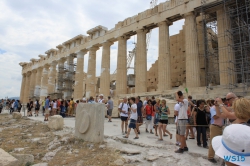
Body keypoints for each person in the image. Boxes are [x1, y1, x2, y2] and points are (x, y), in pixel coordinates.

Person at [207, 98, 225, 163]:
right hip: (215, 126)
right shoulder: (213, 108)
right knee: (213, 142)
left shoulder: (222, 108)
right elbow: (215, 117)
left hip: (221, 126)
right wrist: (221, 112)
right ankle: (210, 156)